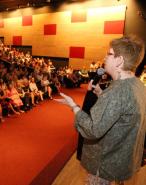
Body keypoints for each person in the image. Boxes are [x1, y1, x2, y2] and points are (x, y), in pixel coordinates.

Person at [55, 35, 146, 184]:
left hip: (105, 164)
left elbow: (92, 129)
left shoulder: (117, 92)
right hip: (122, 159)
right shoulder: (137, 84)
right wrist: (102, 94)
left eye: (109, 54)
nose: (105, 57)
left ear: (119, 60)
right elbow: (124, 110)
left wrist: (73, 106)